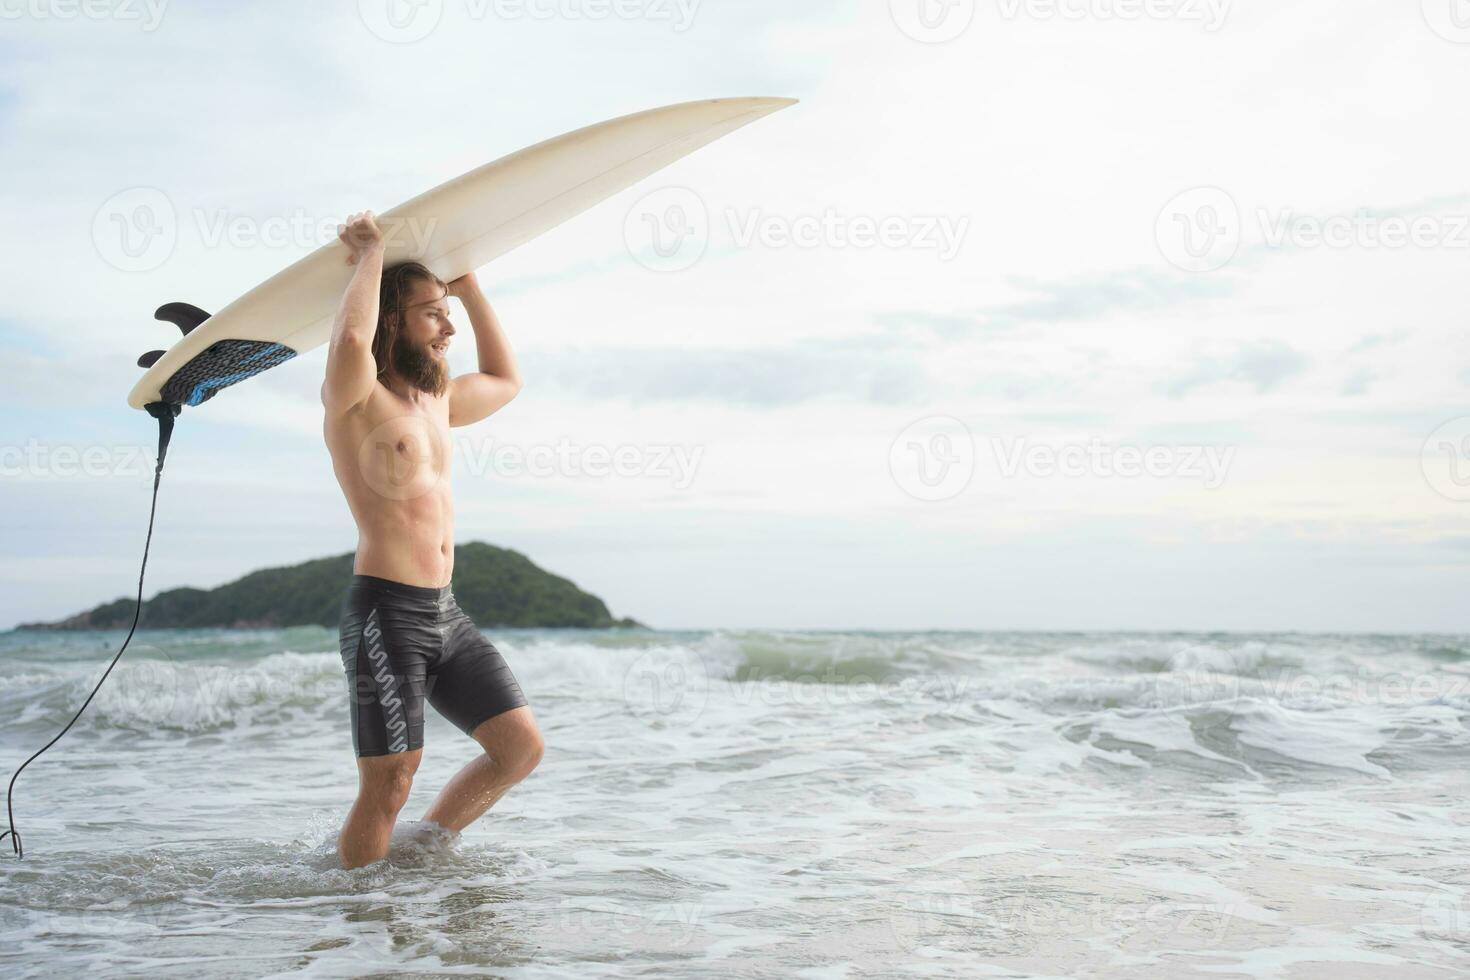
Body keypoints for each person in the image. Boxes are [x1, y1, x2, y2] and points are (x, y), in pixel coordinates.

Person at [323, 210, 543, 870]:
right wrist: (370, 255)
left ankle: (419, 850)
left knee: (519, 749)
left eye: (446, 313)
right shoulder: (356, 398)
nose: (447, 328)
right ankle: (361, 913)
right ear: (395, 321)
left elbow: (506, 379)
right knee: (390, 781)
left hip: (445, 614)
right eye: (431, 313)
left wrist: (470, 289)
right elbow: (348, 342)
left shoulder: (438, 401)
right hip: (384, 615)